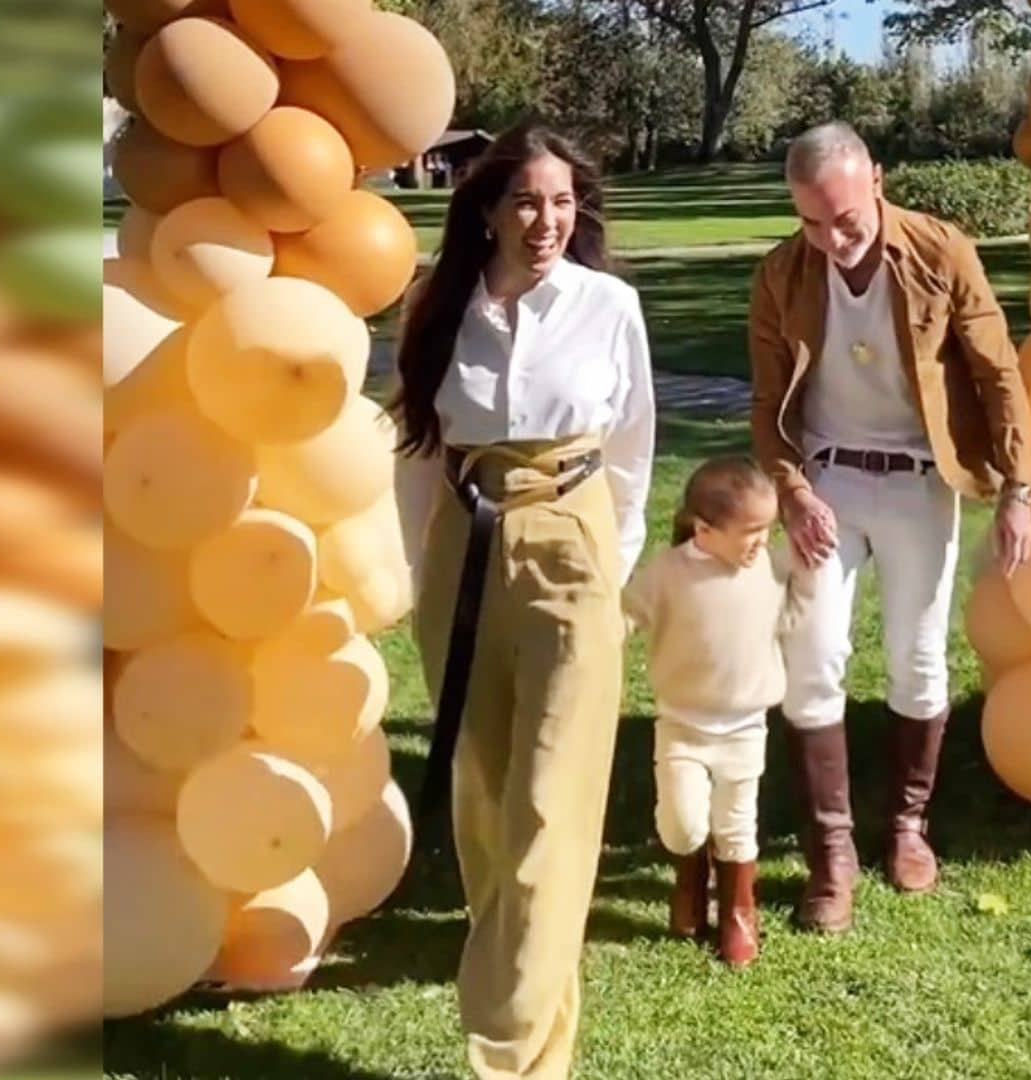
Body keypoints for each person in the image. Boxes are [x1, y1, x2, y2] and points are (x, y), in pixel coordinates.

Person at [392, 122, 655, 1080]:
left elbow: (633, 448)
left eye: (561, 202)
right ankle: (545, 1060)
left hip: (570, 549)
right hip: (461, 554)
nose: (546, 221)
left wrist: (607, 565)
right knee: (484, 798)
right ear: (488, 211)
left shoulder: (609, 304)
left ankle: (498, 1045)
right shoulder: (438, 303)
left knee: (553, 803)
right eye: (526, 202)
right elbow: (417, 447)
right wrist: (414, 565)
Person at [747, 122, 1031, 935]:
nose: (831, 240)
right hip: (827, 480)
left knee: (918, 656)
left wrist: (1020, 486)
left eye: (843, 219)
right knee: (812, 658)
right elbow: (767, 407)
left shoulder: (942, 251)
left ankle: (908, 826)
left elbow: (996, 372)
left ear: (876, 180)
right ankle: (831, 854)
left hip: (919, 481)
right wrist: (794, 493)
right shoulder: (780, 275)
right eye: (810, 222)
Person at [620, 457, 813, 969]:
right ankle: (690, 873)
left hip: (746, 726)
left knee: (737, 824)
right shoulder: (668, 571)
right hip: (682, 725)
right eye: (751, 531)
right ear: (704, 529)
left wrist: (809, 577)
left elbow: (791, 616)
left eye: (768, 530)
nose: (761, 541)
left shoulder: (769, 569)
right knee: (682, 824)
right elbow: (627, 613)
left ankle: (737, 912)